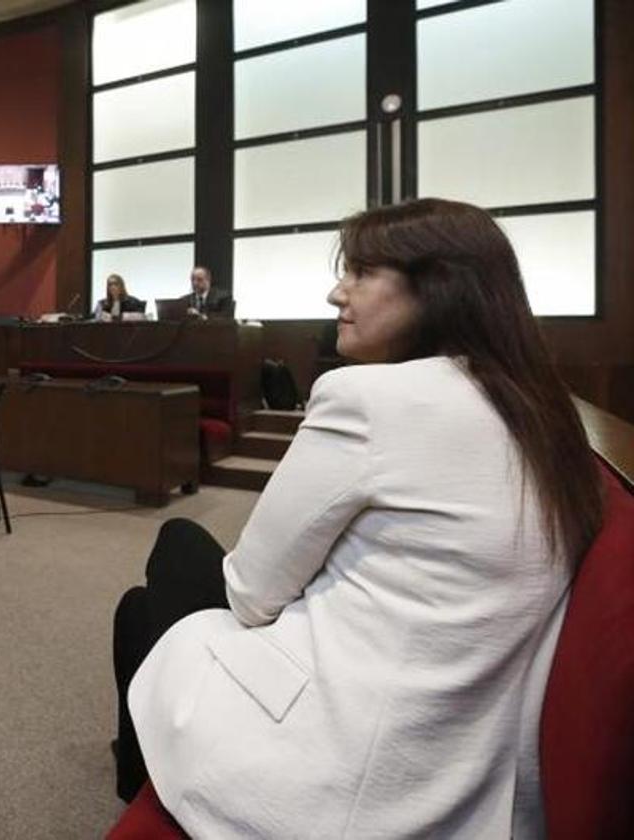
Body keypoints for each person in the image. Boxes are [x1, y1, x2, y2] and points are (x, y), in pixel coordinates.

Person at [111, 198, 603, 837]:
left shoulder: (372, 399)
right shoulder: (538, 408)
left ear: (440, 290)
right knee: (159, 578)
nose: (334, 292)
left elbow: (251, 595)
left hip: (355, 769)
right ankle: (136, 767)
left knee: (162, 572)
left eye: (361, 273)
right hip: (468, 759)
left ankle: (142, 778)